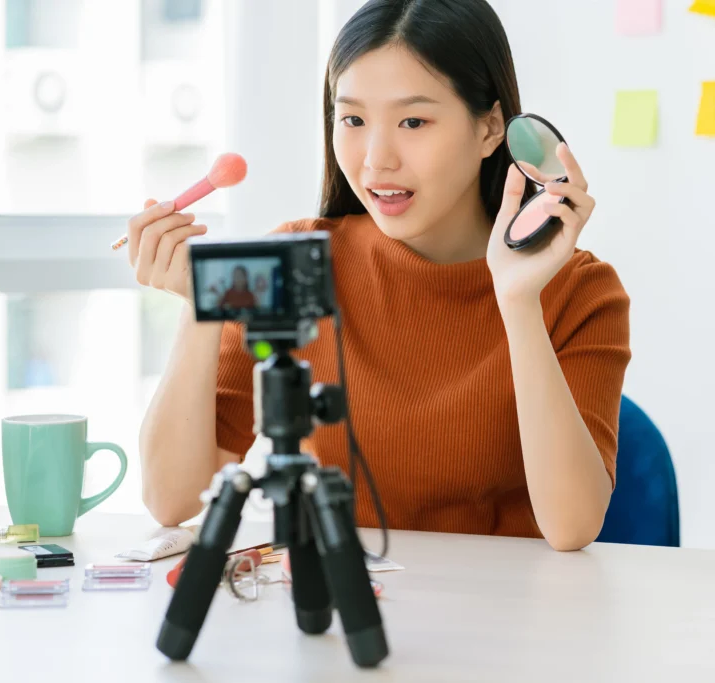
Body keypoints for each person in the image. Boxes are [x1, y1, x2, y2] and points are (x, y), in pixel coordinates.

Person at [129, 0, 630, 551]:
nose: (375, 159)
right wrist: (203, 304)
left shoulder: (582, 291)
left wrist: (516, 300)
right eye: (353, 120)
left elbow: (572, 527)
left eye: (413, 121)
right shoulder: (293, 263)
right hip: (337, 609)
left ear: (490, 128)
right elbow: (171, 501)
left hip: (508, 619)